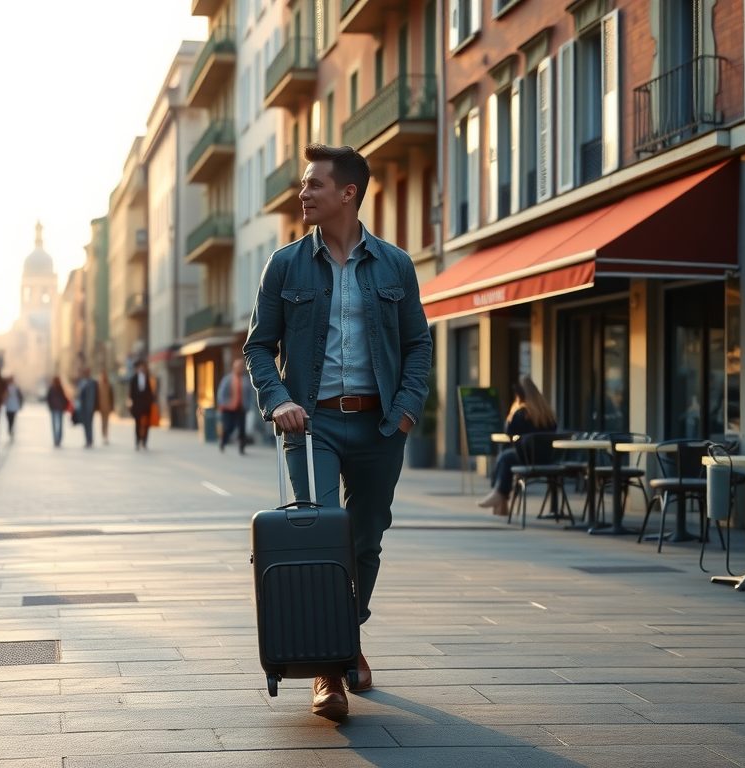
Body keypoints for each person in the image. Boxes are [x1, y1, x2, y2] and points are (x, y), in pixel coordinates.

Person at [244, 143, 432, 720]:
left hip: (379, 425)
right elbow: (258, 346)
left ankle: (345, 637)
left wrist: (404, 412)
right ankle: (329, 672)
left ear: (347, 193)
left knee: (366, 542)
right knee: (322, 538)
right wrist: (278, 401)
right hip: (315, 423)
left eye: (313, 185)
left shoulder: (396, 265)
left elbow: (417, 344)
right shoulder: (285, 264)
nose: (303, 194)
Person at [478, 376, 558, 517]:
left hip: (528, 459)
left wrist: (512, 412)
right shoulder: (548, 414)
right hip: (549, 460)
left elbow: (509, 434)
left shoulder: (522, 413)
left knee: (505, 456)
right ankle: (500, 500)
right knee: (506, 455)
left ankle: (499, 495)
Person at [215, 358, 255, 455]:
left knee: (242, 429)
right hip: (228, 408)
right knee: (228, 427)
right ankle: (223, 442)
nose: (240, 368)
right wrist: (223, 404)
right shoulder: (227, 379)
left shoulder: (245, 380)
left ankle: (242, 448)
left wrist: (249, 405)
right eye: (238, 367)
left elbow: (250, 394)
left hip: (241, 408)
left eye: (241, 367)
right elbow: (221, 393)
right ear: (234, 367)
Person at [127, 359, 155, 451]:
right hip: (137, 405)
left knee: (146, 424)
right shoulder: (133, 379)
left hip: (146, 405)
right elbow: (131, 393)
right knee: (137, 424)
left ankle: (144, 441)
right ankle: (137, 441)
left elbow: (150, 392)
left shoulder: (147, 378)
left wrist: (150, 402)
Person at [73, 366, 97, 448]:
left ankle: (90, 440)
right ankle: (87, 440)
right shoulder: (82, 382)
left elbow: (92, 396)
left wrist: (91, 408)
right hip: (82, 408)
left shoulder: (91, 382)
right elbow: (78, 394)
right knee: (85, 425)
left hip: (89, 408)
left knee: (89, 425)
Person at [45, 376, 68, 448]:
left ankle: (57, 440)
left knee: (58, 425)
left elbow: (64, 398)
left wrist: (63, 406)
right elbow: (48, 398)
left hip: (59, 409)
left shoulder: (59, 388)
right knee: (56, 425)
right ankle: (56, 440)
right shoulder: (52, 388)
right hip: (55, 409)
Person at [96, 370, 113, 446]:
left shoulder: (109, 385)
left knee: (106, 422)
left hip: (108, 406)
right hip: (101, 407)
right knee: (103, 422)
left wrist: (112, 406)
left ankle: (106, 435)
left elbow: (112, 396)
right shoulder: (99, 385)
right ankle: (103, 435)